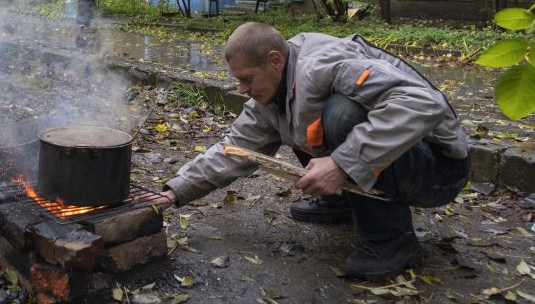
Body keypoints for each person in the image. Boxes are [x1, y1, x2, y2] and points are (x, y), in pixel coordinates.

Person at [156, 22, 470, 280]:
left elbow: (423, 103)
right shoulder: (269, 94)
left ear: (275, 60)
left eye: (246, 79)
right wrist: (173, 192)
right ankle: (346, 202)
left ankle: (391, 238)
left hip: (440, 169)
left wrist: (343, 163)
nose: (242, 89)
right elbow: (232, 150)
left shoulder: (323, 64)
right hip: (401, 161)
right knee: (311, 124)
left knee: (340, 114)